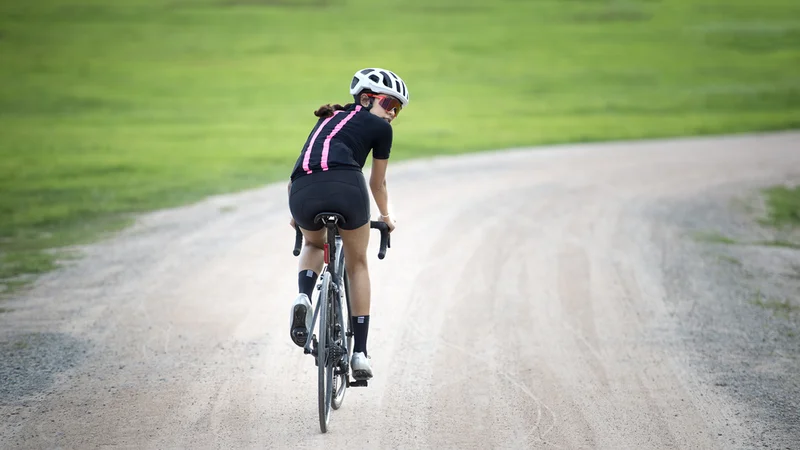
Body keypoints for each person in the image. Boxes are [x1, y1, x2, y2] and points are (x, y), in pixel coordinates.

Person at [286, 68, 409, 381]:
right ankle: (360, 353)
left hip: (301, 192)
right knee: (357, 265)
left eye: (398, 109)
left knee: (314, 243)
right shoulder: (380, 129)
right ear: (366, 99)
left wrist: (295, 215)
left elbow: (300, 169)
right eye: (389, 105)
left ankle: (303, 296)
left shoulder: (326, 118)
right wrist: (386, 216)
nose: (393, 114)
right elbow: (377, 183)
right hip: (346, 187)